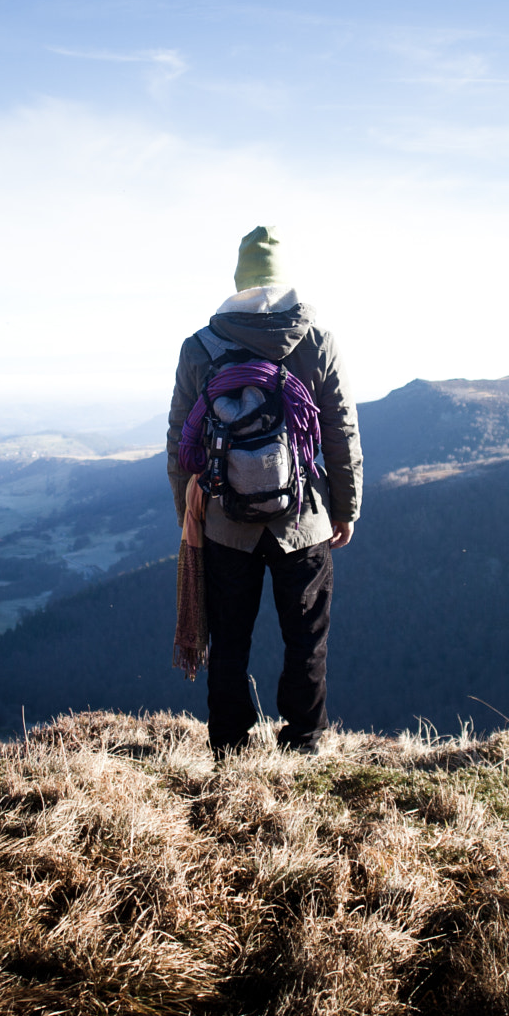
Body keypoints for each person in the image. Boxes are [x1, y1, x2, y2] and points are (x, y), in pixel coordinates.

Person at [167, 226, 362, 757]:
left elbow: (178, 436)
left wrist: (192, 512)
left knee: (229, 640)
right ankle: (304, 740)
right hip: (303, 519)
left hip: (225, 521)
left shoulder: (200, 348)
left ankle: (230, 747)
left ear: (239, 281)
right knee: (305, 638)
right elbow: (340, 431)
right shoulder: (316, 340)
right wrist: (346, 506)